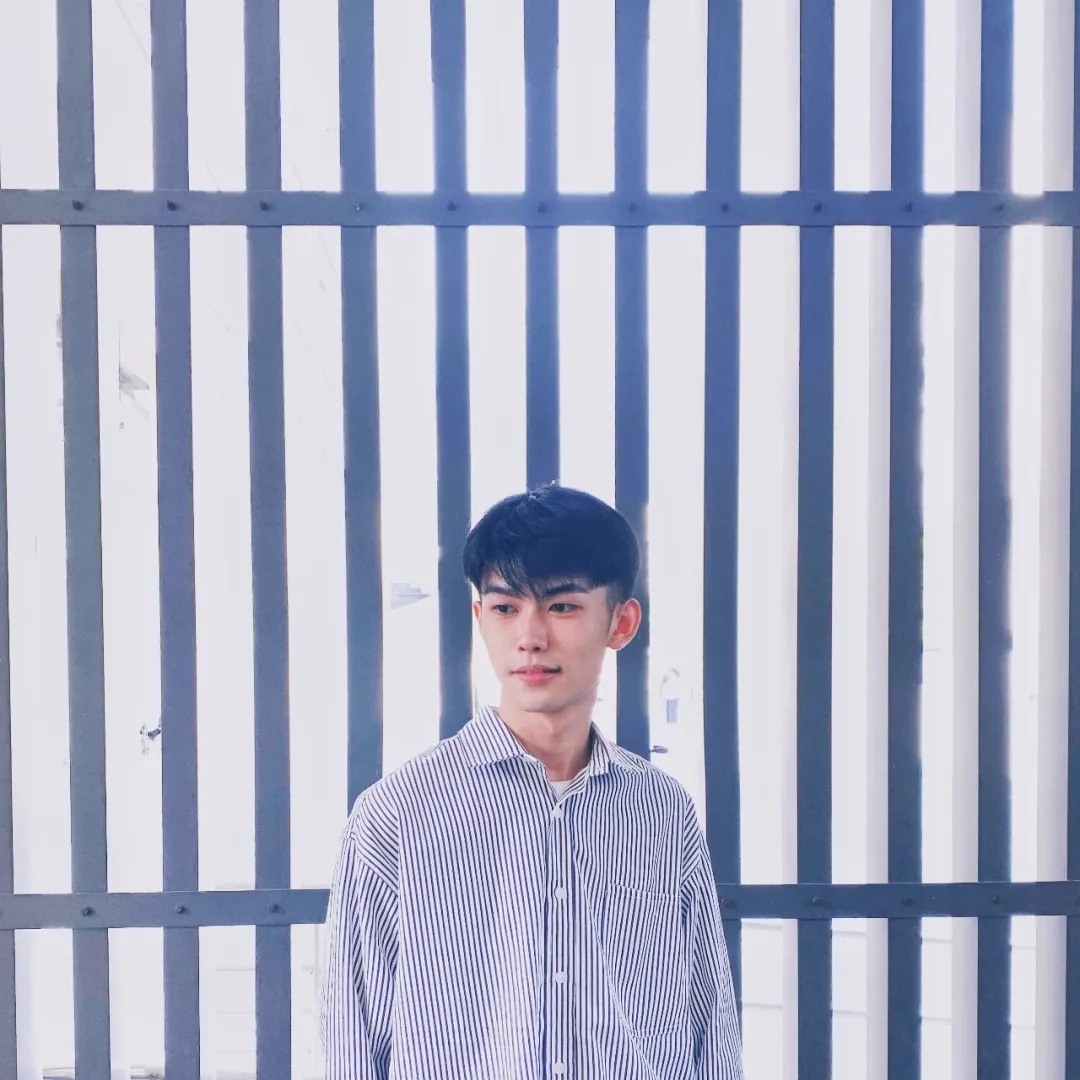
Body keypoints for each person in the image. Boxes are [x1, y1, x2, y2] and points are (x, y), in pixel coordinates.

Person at [319, 485, 743, 1079]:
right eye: (504, 608)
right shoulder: (397, 814)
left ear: (621, 622)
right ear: (479, 618)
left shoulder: (662, 811)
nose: (530, 636)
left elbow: (707, 1017)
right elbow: (351, 1033)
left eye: (562, 606)